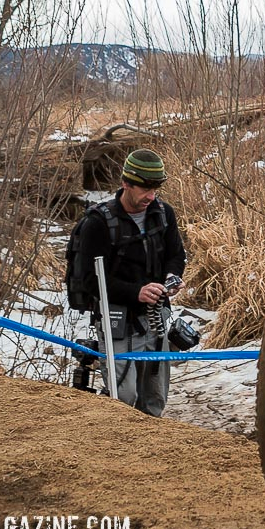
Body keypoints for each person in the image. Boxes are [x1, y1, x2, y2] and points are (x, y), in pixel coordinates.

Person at [75, 148, 187, 416]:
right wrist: (137, 292)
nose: (151, 196)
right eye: (145, 189)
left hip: (156, 317)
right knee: (123, 398)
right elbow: (89, 280)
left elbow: (176, 254)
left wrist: (172, 276)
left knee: (155, 398)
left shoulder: (163, 213)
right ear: (126, 183)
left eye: (156, 189)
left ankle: (149, 453)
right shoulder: (98, 222)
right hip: (117, 323)